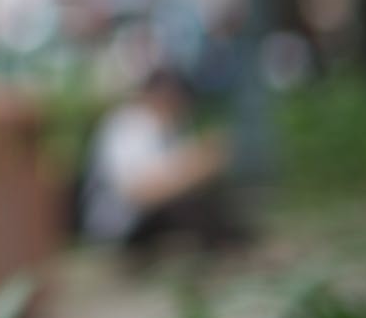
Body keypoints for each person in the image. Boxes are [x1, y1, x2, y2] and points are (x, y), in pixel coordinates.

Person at [76, 66, 252, 261]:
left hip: (147, 220)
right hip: (120, 226)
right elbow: (140, 193)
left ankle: (235, 245)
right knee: (188, 208)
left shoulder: (168, 129)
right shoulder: (127, 126)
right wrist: (198, 167)